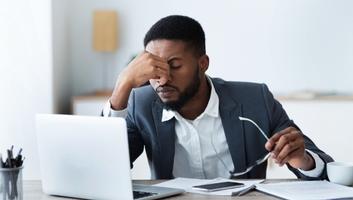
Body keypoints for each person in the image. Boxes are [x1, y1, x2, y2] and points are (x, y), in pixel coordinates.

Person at [103, 15, 333, 179]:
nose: (162, 80)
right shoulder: (140, 105)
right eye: (154, 69)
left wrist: (303, 159)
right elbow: (106, 170)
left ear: (203, 64)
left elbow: (325, 171)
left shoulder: (255, 100)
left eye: (174, 66)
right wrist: (122, 86)